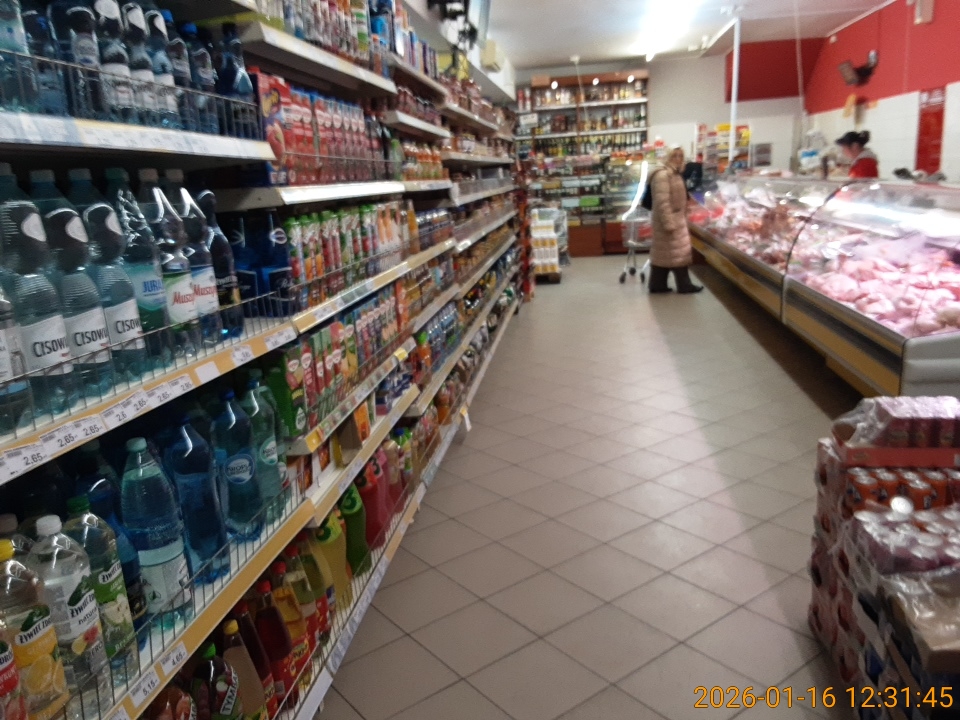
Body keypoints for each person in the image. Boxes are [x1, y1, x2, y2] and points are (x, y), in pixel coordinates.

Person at [648, 146, 703, 294]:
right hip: (670, 220)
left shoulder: (674, 173)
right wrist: (668, 223)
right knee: (679, 253)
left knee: (663, 254)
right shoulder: (663, 175)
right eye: (674, 155)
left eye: (680, 156)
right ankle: (684, 285)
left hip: (674, 219)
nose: (678, 159)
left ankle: (657, 284)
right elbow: (662, 202)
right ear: (668, 157)